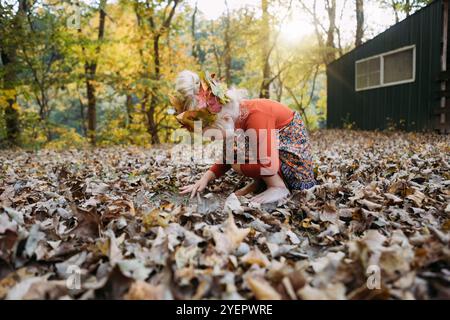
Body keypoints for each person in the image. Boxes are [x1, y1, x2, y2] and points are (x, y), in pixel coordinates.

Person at [173, 70, 315, 204]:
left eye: (211, 135)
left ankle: (278, 187)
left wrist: (238, 167)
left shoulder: (255, 116)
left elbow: (269, 165)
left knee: (242, 153)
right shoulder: (233, 119)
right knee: (235, 150)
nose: (211, 139)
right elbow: (227, 157)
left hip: (294, 163)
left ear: (225, 119)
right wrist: (204, 179)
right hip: (273, 153)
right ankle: (261, 183)